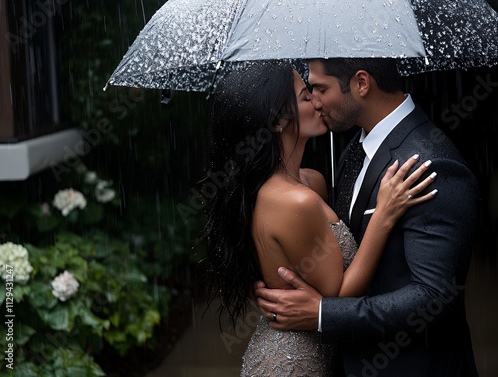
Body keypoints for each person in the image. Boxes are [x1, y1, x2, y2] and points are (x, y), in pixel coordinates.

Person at [199, 60, 436, 376]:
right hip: (291, 362)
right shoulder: (294, 201)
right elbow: (337, 296)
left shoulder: (311, 181)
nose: (317, 100)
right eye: (305, 96)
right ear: (279, 120)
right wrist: (384, 215)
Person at [254, 58, 480, 377]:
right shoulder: (355, 151)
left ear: (361, 83)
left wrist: (322, 314)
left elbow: (434, 296)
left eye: (320, 88)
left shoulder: (430, 164)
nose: (314, 100)